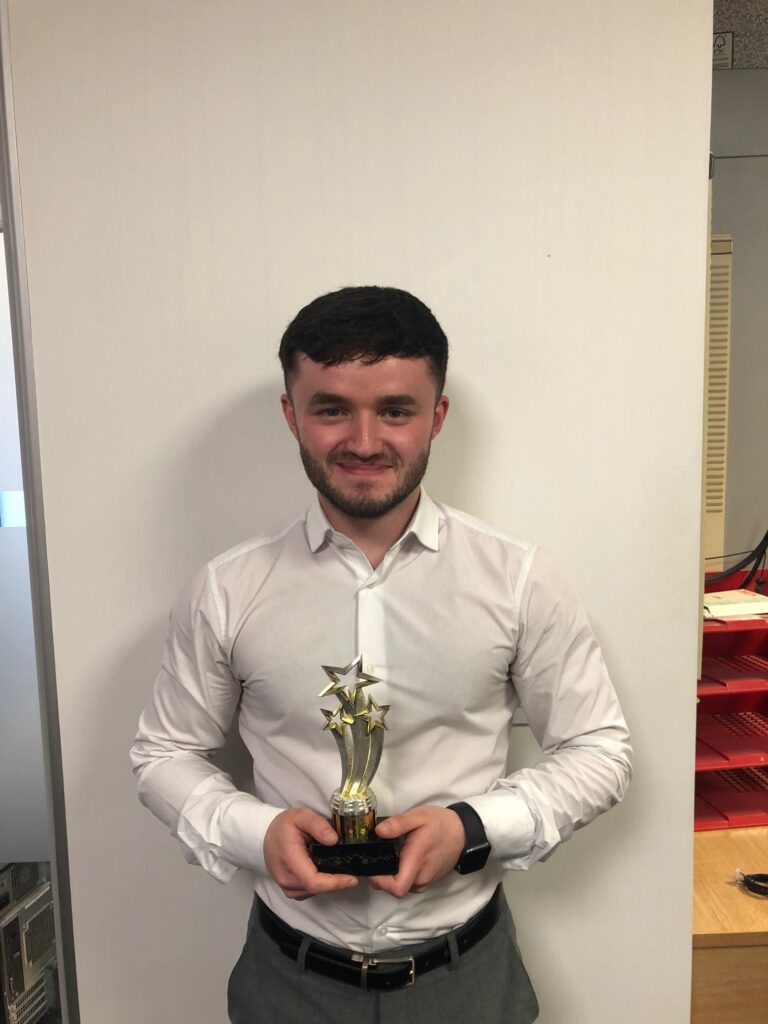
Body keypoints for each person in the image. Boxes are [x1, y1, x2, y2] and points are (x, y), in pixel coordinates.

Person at [131, 285, 632, 1024]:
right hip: (287, 981)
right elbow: (162, 753)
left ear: (437, 416)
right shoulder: (226, 589)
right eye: (332, 409)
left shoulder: (519, 580)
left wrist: (472, 828)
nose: (364, 442)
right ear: (290, 414)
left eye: (395, 411)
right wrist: (255, 834)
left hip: (468, 978)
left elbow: (599, 749)